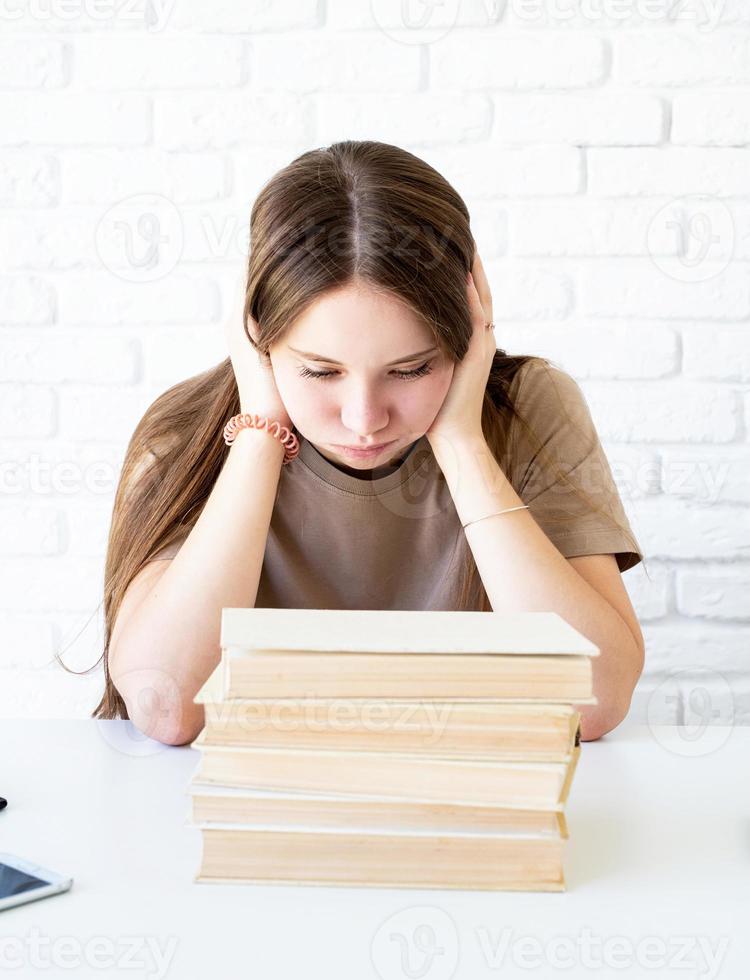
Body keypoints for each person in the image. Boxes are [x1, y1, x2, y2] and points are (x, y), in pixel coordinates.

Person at [88, 140, 646, 746]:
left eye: (410, 370)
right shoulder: (182, 434)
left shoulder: (526, 406)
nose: (363, 420)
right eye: (320, 372)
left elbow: (595, 700)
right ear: (257, 337)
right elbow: (165, 708)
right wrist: (260, 432)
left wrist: (459, 440)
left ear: (469, 335)